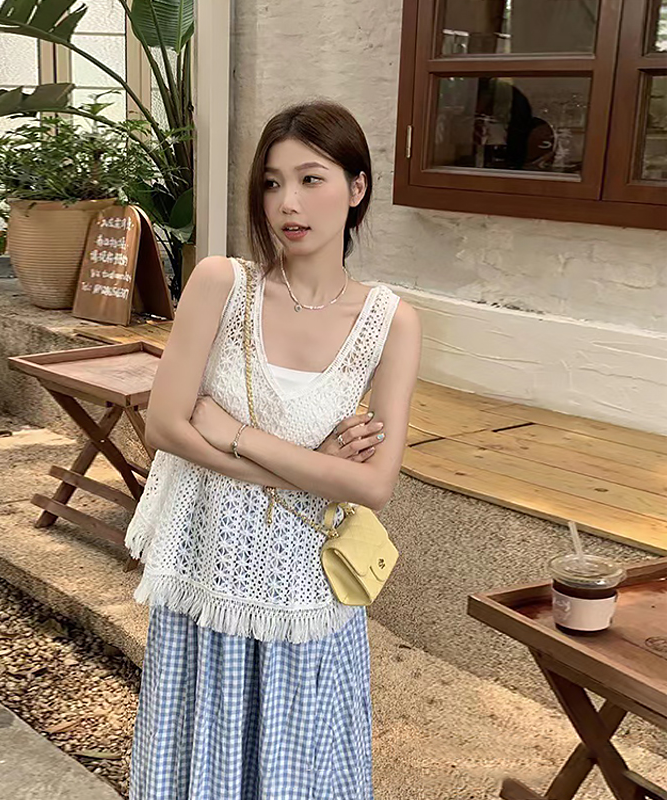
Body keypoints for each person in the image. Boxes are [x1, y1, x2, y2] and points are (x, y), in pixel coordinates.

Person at [125, 99, 421, 799]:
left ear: (357, 188)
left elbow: (374, 486)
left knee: (301, 774)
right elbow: (164, 427)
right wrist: (315, 468)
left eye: (311, 179)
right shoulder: (223, 285)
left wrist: (235, 433)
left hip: (308, 591)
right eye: (271, 182)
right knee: (202, 767)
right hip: (209, 573)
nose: (288, 203)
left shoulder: (391, 322)